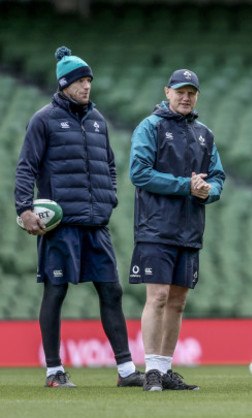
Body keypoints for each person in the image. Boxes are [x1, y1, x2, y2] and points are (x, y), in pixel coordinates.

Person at [14, 46, 144, 388]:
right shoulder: (43, 119)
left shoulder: (99, 121)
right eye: (80, 81)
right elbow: (26, 166)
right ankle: (54, 371)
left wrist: (110, 198)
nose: (86, 86)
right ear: (64, 84)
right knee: (55, 292)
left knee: (112, 292)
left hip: (96, 225)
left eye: (89, 80)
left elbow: (111, 166)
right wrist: (24, 209)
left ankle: (127, 371)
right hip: (61, 228)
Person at [129, 69, 225, 392]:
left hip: (190, 230)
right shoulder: (150, 127)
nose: (186, 97)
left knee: (178, 302)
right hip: (155, 228)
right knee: (157, 297)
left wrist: (208, 190)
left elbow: (218, 178)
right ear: (167, 91)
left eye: (192, 92)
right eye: (180, 91)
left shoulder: (205, 134)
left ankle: (166, 369)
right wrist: (187, 186)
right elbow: (139, 173)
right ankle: (152, 370)